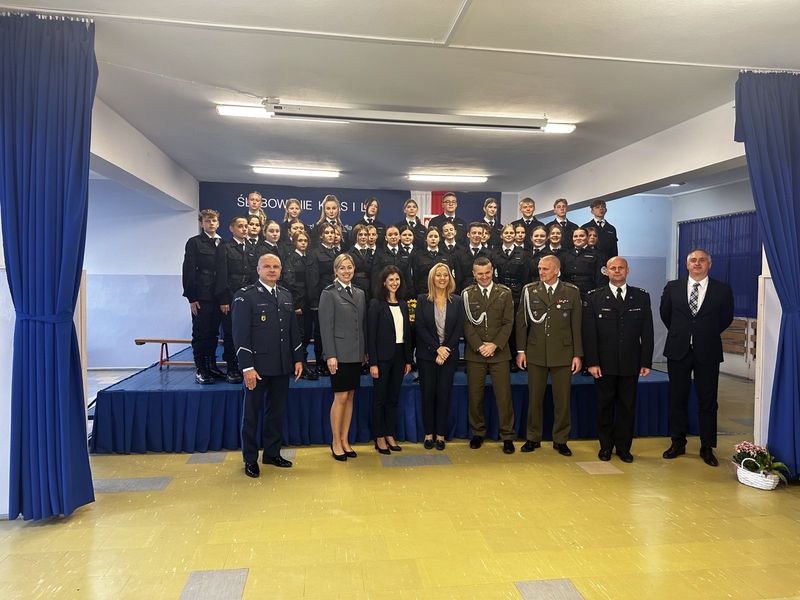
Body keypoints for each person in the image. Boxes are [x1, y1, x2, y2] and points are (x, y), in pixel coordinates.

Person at [660, 248, 734, 467]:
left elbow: (726, 318)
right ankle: (678, 442)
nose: (697, 263)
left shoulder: (722, 290)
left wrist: (704, 333)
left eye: (702, 260)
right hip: (678, 350)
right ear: (687, 264)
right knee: (677, 398)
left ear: (709, 264)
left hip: (708, 350)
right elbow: (666, 314)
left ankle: (707, 446)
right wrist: (682, 333)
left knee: (708, 401)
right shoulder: (673, 287)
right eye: (693, 260)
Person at [232, 253, 303, 478]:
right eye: (267, 266)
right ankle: (250, 459)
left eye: (276, 267)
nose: (272, 270)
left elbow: (292, 331)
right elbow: (240, 335)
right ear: (258, 269)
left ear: (281, 270)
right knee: (251, 415)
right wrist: (247, 368)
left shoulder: (286, 295)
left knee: (276, 412)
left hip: (281, 365)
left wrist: (298, 358)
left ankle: (272, 453)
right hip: (258, 368)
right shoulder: (245, 296)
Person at [583, 257, 654, 462]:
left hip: (631, 362)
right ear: (606, 271)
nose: (616, 271)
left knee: (627, 407)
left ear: (627, 270)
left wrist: (645, 361)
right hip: (604, 364)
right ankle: (605, 447)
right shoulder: (594, 297)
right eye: (612, 268)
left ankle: (623, 448)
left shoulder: (641, 296)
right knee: (604, 406)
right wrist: (592, 362)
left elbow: (647, 332)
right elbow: (589, 333)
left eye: (620, 268)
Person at [516, 255, 583, 456]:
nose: (541, 272)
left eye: (545, 269)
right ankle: (533, 437)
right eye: (539, 268)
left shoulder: (571, 292)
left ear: (556, 270)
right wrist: (521, 351)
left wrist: (577, 354)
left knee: (562, 400)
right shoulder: (529, 290)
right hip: (536, 352)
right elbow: (522, 323)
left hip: (563, 353)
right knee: (535, 398)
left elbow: (576, 325)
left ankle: (560, 440)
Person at [462, 257, 516, 454]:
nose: (484, 277)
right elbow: (466, 323)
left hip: (499, 352)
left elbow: (508, 322)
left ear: (492, 271)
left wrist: (494, 345)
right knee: (475, 396)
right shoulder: (467, 294)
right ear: (473, 274)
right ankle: (478, 432)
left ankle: (507, 436)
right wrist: (479, 346)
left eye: (487, 273)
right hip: (475, 353)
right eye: (480, 274)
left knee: (504, 396)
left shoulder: (505, 293)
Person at [319, 254, 367, 461]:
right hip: (338, 355)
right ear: (335, 271)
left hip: (355, 353)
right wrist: (330, 354)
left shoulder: (360, 293)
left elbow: (361, 325)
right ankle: (335, 442)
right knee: (340, 397)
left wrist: (364, 352)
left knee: (350, 397)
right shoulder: (329, 293)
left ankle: (345, 439)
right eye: (342, 268)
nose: (346, 271)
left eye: (349, 267)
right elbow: (325, 327)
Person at [415, 264, 463, 450]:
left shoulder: (457, 301)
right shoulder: (422, 300)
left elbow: (458, 328)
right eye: (438, 275)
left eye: (445, 275)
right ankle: (429, 434)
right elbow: (420, 327)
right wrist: (437, 349)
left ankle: (441, 435)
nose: (442, 278)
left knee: (444, 394)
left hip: (448, 356)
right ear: (432, 278)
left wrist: (445, 351)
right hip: (427, 356)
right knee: (428, 394)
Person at [367, 266, 413, 454]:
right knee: (380, 399)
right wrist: (373, 363)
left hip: (400, 356)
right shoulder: (376, 304)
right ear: (384, 282)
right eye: (391, 280)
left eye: (397, 279)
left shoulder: (402, 304)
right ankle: (379, 437)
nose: (394, 283)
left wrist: (408, 360)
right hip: (382, 358)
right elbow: (371, 335)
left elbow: (407, 333)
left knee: (393, 398)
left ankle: (389, 433)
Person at [182, 209, 223, 384]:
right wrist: (192, 297)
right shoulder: (195, 242)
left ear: (218, 223)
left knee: (213, 333)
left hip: (217, 294)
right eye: (207, 221)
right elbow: (188, 270)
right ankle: (201, 369)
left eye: (214, 220)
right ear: (201, 223)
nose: (211, 223)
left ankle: (211, 365)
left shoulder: (222, 242)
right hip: (201, 295)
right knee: (201, 332)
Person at [214, 216, 250, 384]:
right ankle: (232, 368)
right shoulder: (225, 247)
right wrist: (224, 299)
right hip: (231, 297)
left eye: (246, 226)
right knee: (231, 334)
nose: (244, 229)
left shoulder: (251, 248)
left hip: (248, 298)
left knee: (248, 333)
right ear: (231, 228)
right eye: (240, 226)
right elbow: (222, 275)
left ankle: (246, 366)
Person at [492, 224, 529, 371]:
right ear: (501, 236)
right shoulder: (494, 253)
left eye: (511, 233)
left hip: (516, 294)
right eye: (506, 233)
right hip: (499, 293)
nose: (509, 235)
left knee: (514, 326)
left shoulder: (523, 254)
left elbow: (525, 277)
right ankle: (500, 357)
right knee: (499, 325)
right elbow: (492, 275)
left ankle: (514, 358)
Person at [283, 230, 318, 380]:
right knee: (300, 334)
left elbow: (314, 281)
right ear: (294, 242)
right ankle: (300, 365)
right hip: (298, 302)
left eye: (305, 240)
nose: (303, 243)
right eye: (300, 240)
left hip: (310, 302)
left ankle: (303, 363)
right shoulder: (291, 259)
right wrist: (296, 304)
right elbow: (289, 283)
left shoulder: (310, 258)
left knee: (307, 334)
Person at [308, 223, 341, 377]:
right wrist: (315, 301)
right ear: (321, 235)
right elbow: (312, 279)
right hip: (321, 297)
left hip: (337, 297)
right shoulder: (315, 253)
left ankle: (332, 361)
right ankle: (320, 364)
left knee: (334, 331)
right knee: (321, 332)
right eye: (327, 232)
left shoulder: (337, 252)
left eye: (332, 233)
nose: (330, 235)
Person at [561, 228, 602, 299]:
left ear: (587, 237)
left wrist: (597, 295)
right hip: (568, 292)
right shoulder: (566, 255)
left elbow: (601, 278)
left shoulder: (597, 255)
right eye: (575, 236)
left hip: (589, 293)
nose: (578, 238)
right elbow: (561, 276)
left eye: (581, 236)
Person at [412, 227, 450, 297]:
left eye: (436, 236)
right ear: (426, 239)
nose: (433, 239)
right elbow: (415, 277)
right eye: (430, 236)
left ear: (439, 239)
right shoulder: (418, 256)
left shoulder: (446, 255)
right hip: (424, 292)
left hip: (442, 292)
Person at [350, 224, 374, 301]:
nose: (363, 237)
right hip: (356, 285)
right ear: (355, 236)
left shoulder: (371, 252)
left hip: (370, 286)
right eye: (360, 235)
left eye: (365, 235)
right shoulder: (350, 253)